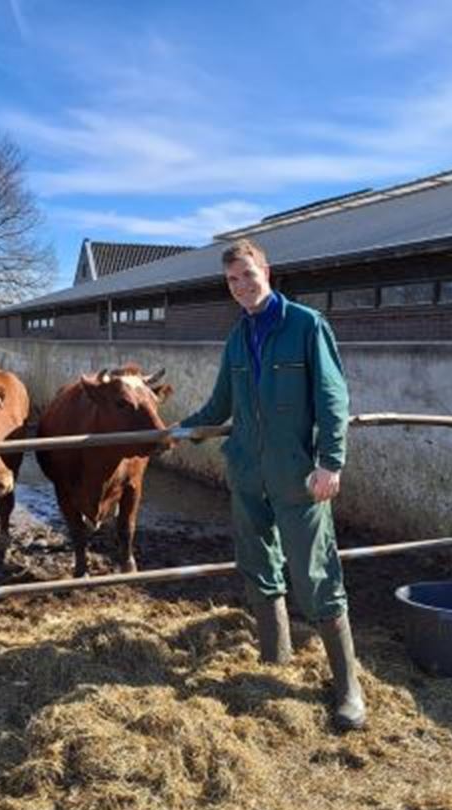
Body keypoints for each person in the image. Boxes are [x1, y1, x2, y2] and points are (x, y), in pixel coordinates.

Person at [179, 237, 366, 730]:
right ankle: (274, 658)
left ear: (267, 272)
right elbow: (220, 405)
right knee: (258, 563)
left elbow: (332, 398)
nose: (242, 286)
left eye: (248, 275)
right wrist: (181, 430)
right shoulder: (237, 338)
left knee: (315, 573)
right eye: (232, 280)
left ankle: (349, 688)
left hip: (297, 475)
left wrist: (331, 462)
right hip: (247, 472)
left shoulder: (306, 325)